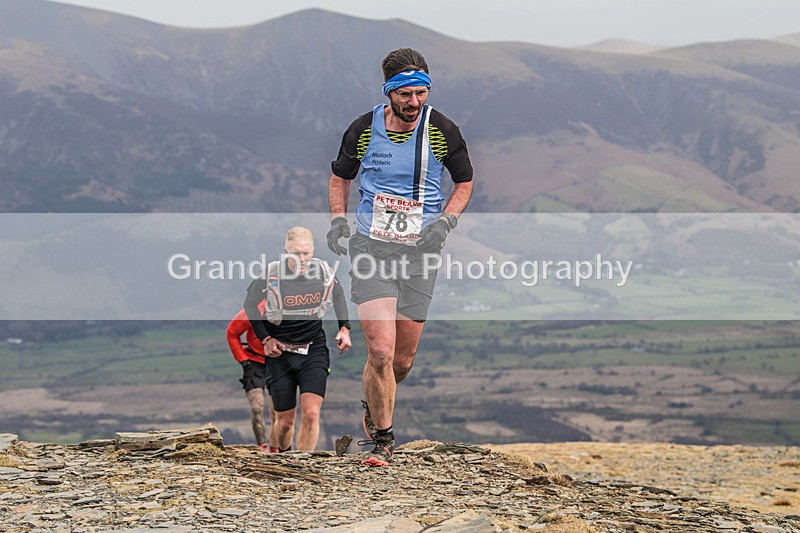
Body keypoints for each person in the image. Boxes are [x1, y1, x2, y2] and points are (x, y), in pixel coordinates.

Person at [326, 48, 474, 466]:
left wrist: (445, 223)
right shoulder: (363, 128)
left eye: (421, 93)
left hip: (420, 253)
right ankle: (383, 441)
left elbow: (464, 182)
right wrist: (338, 221)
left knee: (402, 361)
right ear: (389, 92)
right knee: (381, 353)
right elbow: (340, 176)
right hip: (371, 247)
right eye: (405, 94)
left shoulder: (442, 129)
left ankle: (373, 400)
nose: (414, 102)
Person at [244, 227, 352, 452]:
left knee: (311, 414)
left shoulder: (323, 272)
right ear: (285, 252)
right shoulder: (272, 275)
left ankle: (303, 466)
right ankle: (283, 457)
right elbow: (250, 305)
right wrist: (266, 339)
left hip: (313, 348)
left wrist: (344, 328)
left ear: (313, 251)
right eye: (295, 253)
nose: (301, 259)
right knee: (284, 423)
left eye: (305, 253)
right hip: (280, 354)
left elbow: (339, 296)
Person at [226, 305, 279, 453]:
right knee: (257, 407)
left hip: (278, 361)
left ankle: (275, 448)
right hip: (253, 362)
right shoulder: (254, 309)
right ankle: (262, 447)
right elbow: (232, 332)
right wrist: (243, 361)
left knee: (278, 411)